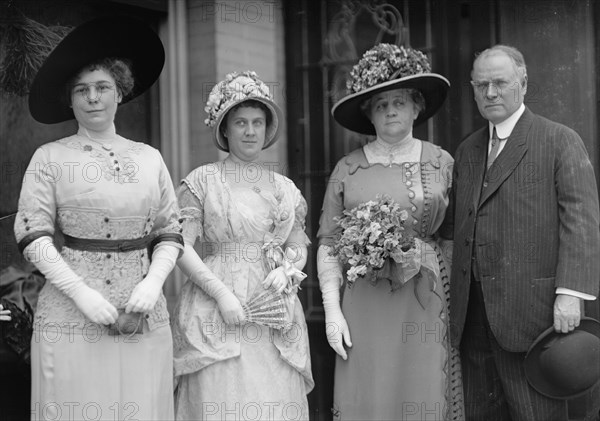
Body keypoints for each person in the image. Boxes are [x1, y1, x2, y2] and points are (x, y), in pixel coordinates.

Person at [15, 17, 183, 420]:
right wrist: (81, 294)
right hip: (72, 313)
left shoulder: (149, 157)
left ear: (120, 93)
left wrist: (154, 283)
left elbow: (169, 231)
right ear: (69, 99)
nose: (93, 98)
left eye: (102, 87)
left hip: (143, 313)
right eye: (82, 90)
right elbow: (32, 233)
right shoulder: (50, 157)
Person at [450, 44, 600, 420]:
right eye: (481, 85)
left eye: (500, 83)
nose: (490, 93)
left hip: (533, 318)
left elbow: (581, 222)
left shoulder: (558, 140)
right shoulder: (468, 151)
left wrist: (570, 294)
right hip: (474, 319)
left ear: (524, 84)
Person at [317, 43, 464, 421]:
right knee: (371, 393)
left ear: (417, 107)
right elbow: (329, 243)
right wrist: (332, 311)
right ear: (369, 116)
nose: (391, 111)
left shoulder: (441, 161)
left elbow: (455, 237)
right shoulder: (347, 168)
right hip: (364, 303)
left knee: (423, 391)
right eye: (380, 105)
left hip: (425, 295)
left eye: (399, 101)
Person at [172, 71, 314, 420]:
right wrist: (220, 293)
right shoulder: (202, 181)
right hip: (216, 305)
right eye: (240, 123)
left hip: (274, 306)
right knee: (223, 397)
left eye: (257, 122)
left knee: (274, 398)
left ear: (267, 129)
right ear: (224, 129)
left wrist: (290, 267)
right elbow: (179, 245)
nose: (250, 131)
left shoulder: (286, 187)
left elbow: (297, 243)